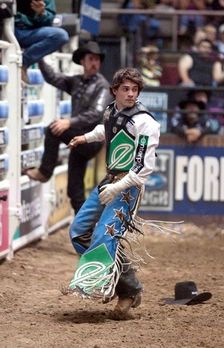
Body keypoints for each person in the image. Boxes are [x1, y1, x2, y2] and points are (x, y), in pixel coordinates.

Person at [67, 67, 160, 319]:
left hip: (127, 187)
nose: (131, 94)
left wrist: (117, 188)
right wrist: (84, 138)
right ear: (115, 91)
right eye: (126, 89)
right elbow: (105, 129)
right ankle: (128, 286)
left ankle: (100, 283)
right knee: (78, 232)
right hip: (109, 181)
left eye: (135, 89)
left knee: (102, 234)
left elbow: (143, 169)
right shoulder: (111, 111)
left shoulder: (146, 123)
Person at [26, 41, 111, 214]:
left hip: (91, 140)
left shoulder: (102, 85)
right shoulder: (77, 81)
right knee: (74, 190)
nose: (95, 63)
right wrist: (39, 56)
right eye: (91, 59)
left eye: (97, 60)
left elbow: (96, 113)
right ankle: (86, 230)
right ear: (83, 61)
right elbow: (53, 78)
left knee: (54, 129)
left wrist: (69, 122)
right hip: (79, 141)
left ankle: (45, 171)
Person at [15, 0, 69, 82]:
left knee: (61, 36)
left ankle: (23, 62)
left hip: (30, 33)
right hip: (7, 27)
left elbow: (48, 21)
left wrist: (42, 13)